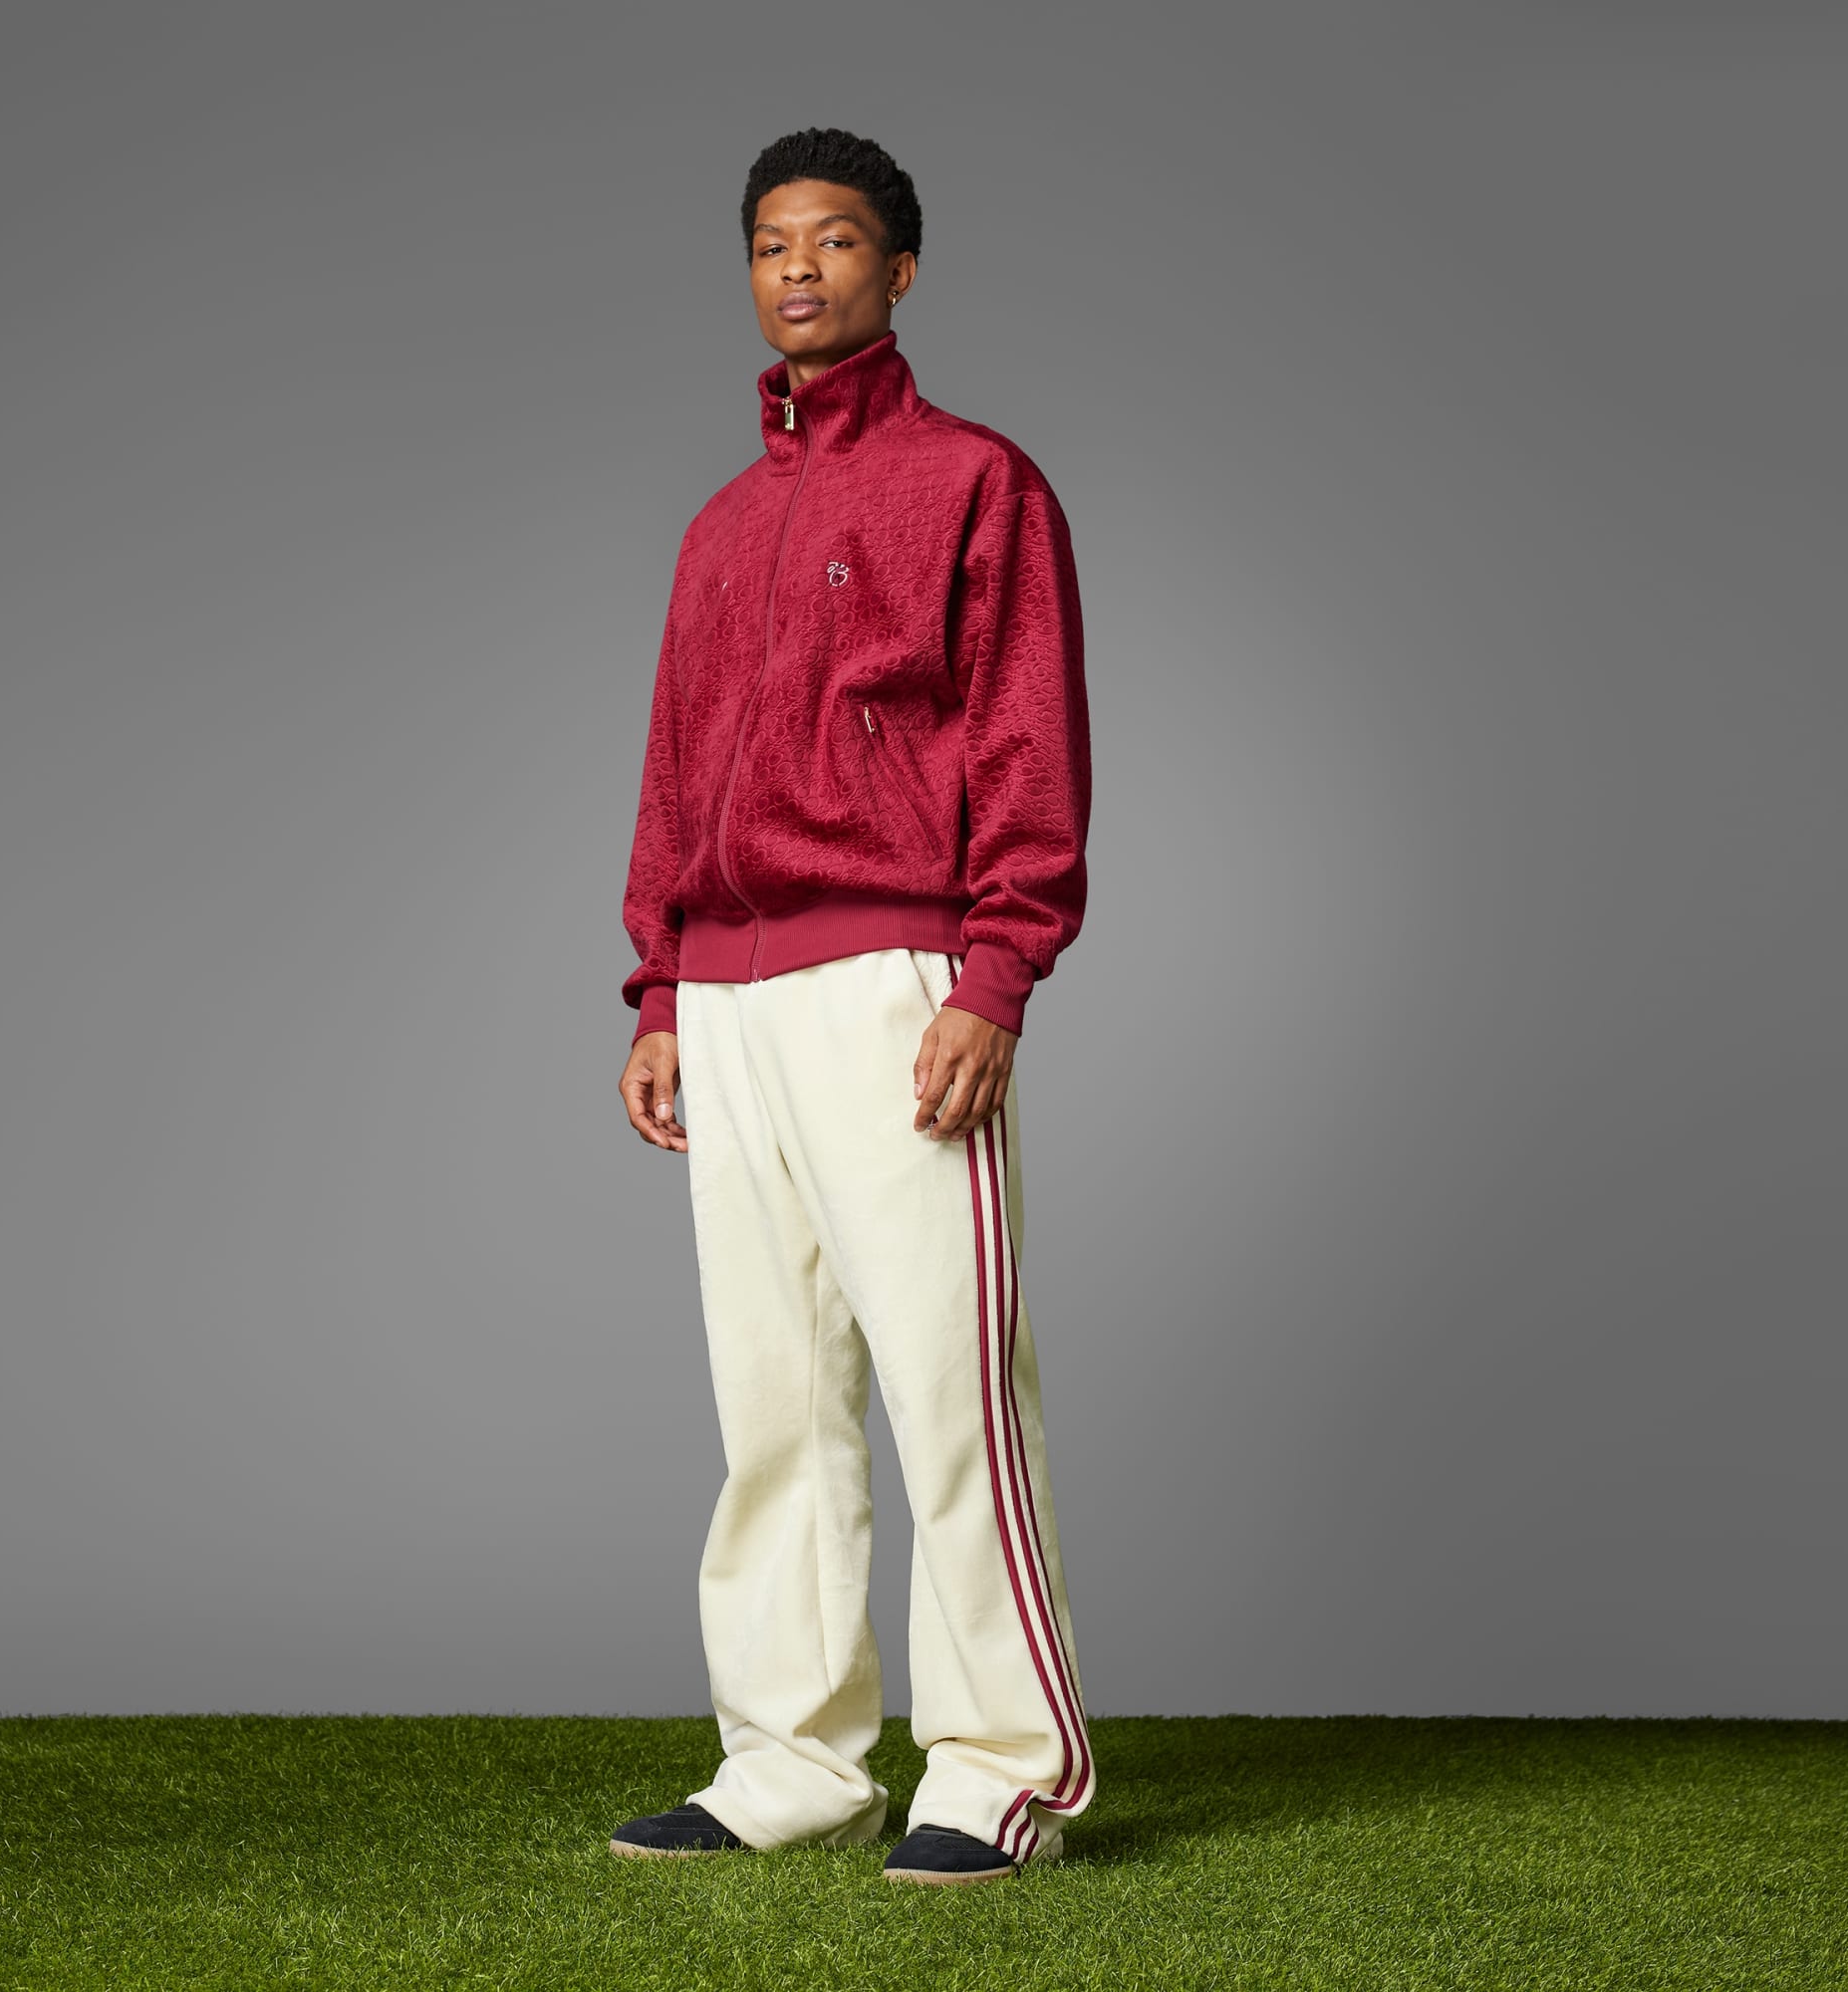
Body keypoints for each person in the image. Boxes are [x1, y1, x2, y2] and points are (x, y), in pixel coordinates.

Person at [610, 126, 1096, 1887]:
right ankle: (791, 1759)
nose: (797, 268)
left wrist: (996, 972)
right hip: (729, 1001)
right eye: (769, 243)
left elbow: (1028, 742)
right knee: (774, 1407)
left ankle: (1001, 1767)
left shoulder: (979, 483)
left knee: (952, 1395)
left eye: (831, 240)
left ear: (900, 270)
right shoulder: (720, 528)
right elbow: (675, 774)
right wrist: (661, 987)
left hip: (899, 986)